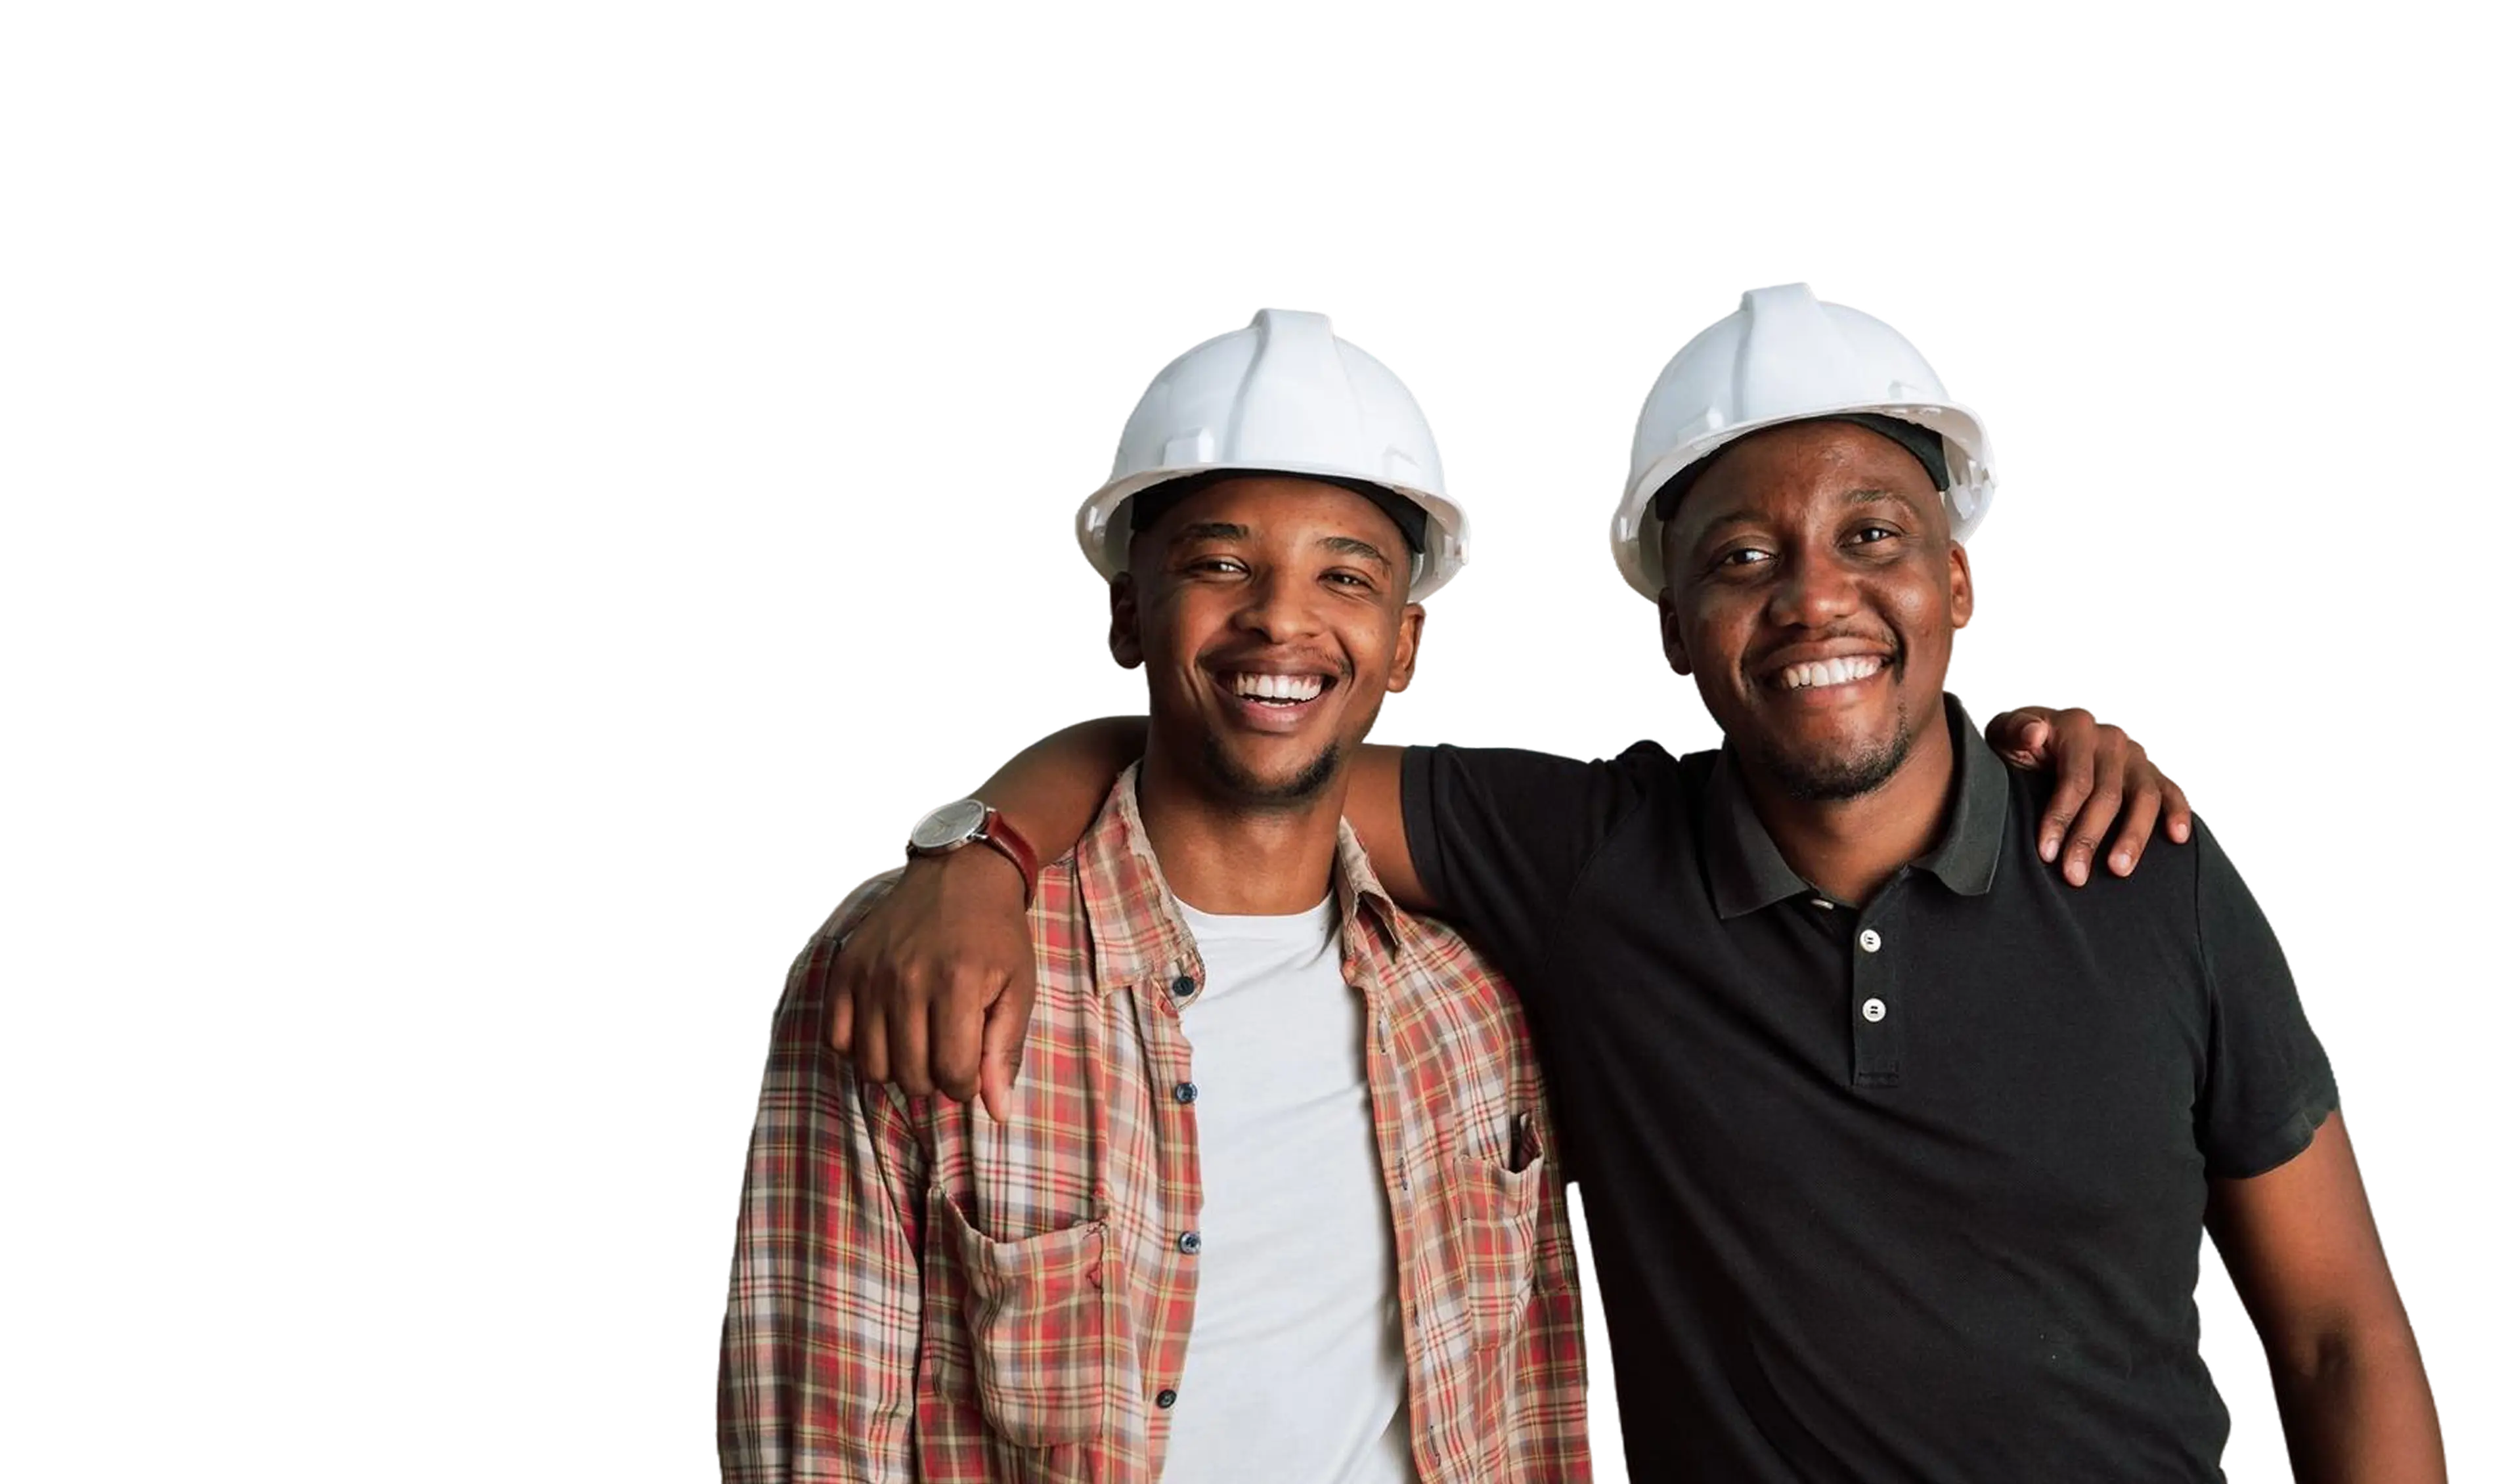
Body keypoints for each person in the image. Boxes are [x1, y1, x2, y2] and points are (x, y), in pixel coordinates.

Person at [812, 284, 2443, 1479]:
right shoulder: (1584, 859)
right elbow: (1230, 746)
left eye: (1872, 536)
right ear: (1673, 632)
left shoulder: (2141, 862)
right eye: (1741, 558)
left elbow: (2338, 1334)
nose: (1815, 598)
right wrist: (979, 850)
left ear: (1958, 580)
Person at [717, 306, 1597, 1483]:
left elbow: (1533, 1423)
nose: (1282, 617)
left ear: (1405, 647)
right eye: (1220, 564)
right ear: (1131, 616)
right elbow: (808, 1439)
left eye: (1345, 574)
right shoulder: (921, 961)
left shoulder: (1470, 1013)